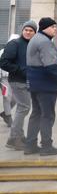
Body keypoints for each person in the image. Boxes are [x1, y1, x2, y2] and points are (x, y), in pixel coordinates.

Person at [24, 18, 57, 156]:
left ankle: (30, 145)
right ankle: (46, 146)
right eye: (53, 27)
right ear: (45, 28)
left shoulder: (35, 39)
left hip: (35, 83)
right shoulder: (45, 42)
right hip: (46, 85)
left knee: (36, 114)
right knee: (47, 115)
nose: (55, 29)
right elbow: (51, 66)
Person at [1, 20, 37, 150]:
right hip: (17, 80)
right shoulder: (15, 44)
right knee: (24, 108)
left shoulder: (31, 44)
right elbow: (3, 62)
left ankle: (20, 136)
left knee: (23, 108)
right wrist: (21, 70)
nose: (28, 32)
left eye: (31, 30)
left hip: (26, 81)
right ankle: (13, 138)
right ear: (22, 31)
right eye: (26, 30)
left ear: (34, 32)